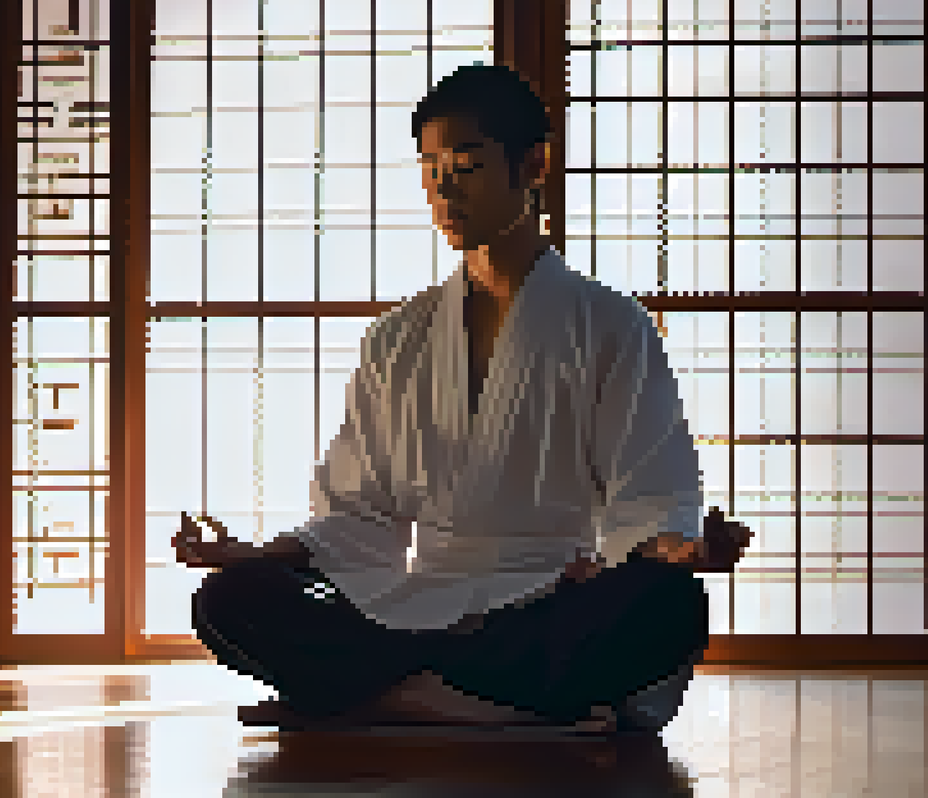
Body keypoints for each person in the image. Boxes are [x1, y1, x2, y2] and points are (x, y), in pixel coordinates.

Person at [175, 64, 753, 733]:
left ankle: (387, 698)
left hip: (545, 603)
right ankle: (478, 702)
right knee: (229, 599)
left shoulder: (611, 325)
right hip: (418, 604)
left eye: (468, 166)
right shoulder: (397, 338)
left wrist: (681, 553)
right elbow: (358, 517)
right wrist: (254, 557)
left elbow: (648, 496)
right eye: (431, 169)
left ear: (533, 166)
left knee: (669, 607)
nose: (445, 189)